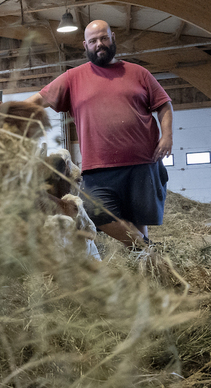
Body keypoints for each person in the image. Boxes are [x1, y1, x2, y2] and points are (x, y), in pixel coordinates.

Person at [26, 20, 173, 249]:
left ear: (112, 38)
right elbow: (39, 99)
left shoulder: (138, 73)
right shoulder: (73, 77)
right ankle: (149, 249)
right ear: (85, 45)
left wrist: (167, 136)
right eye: (93, 41)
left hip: (142, 161)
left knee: (138, 218)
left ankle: (145, 264)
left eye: (103, 38)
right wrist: (10, 110)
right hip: (98, 165)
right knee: (96, 212)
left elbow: (164, 105)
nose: (99, 44)